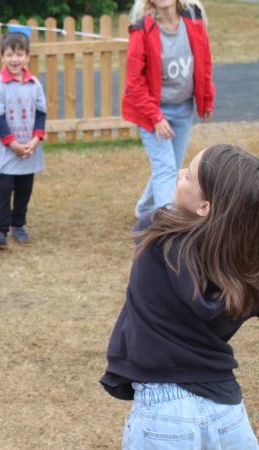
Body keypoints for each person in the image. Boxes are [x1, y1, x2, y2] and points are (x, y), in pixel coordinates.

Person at [101, 144, 259, 449]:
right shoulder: (245, 267)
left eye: (189, 176)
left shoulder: (157, 230)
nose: (180, 173)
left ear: (205, 207)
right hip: (227, 411)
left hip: (163, 411)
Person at [124, 0, 214, 218]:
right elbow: (134, 82)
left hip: (183, 108)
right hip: (151, 112)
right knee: (166, 168)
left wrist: (206, 100)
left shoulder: (193, 21)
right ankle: (168, 224)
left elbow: (204, 62)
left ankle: (145, 208)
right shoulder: (143, 29)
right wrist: (155, 117)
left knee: (169, 168)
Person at [0, 31, 46, 250]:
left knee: (24, 188)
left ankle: (19, 224)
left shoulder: (34, 84)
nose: (14, 59)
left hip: (29, 148)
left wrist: (35, 140)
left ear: (28, 56)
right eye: (9, 54)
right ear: (2, 56)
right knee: (5, 188)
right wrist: (13, 145)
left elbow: (40, 113)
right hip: (7, 150)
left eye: (19, 54)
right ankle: (0, 231)